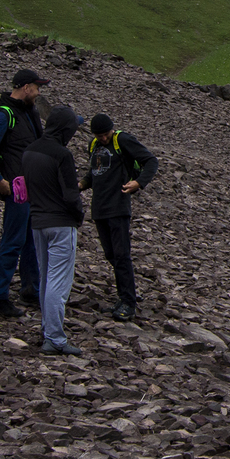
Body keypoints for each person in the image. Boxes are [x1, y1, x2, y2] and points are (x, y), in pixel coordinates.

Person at [82, 113, 159, 321]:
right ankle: (127, 292)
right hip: (99, 208)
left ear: (111, 130)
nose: (103, 139)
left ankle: (128, 302)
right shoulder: (94, 145)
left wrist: (139, 183)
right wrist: (81, 185)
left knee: (121, 254)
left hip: (118, 206)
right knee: (111, 255)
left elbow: (151, 161)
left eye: (106, 135)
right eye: (99, 136)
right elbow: (94, 171)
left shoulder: (122, 140)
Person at [0, 69, 48, 317]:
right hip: (16, 188)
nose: (39, 92)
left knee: (30, 240)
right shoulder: (4, 114)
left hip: (31, 188)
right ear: (26, 87)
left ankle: (30, 289)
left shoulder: (28, 113)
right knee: (13, 240)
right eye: (37, 87)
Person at [23, 105, 85, 356]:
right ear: (65, 129)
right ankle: (55, 338)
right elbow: (71, 194)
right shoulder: (62, 155)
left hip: (38, 222)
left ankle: (47, 329)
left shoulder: (29, 151)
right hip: (61, 224)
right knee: (58, 284)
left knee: (46, 279)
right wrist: (78, 216)